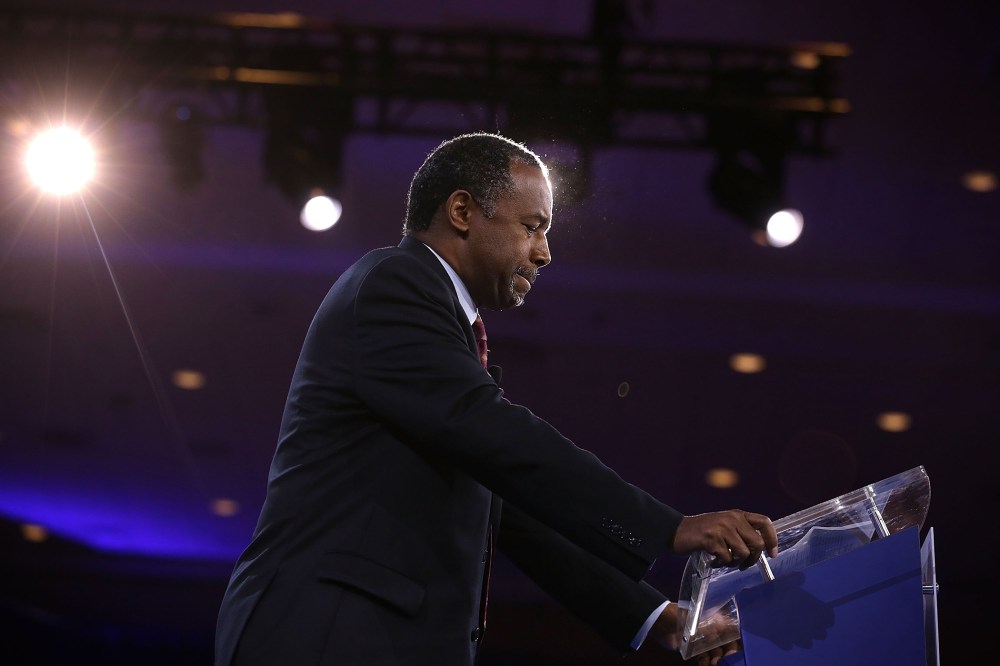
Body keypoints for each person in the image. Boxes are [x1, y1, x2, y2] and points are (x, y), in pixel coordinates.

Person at [215, 133, 777, 666]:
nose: (545, 253)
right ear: (462, 212)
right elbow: (486, 426)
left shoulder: (442, 331)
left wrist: (661, 618)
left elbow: (512, 515)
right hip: (325, 632)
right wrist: (669, 528)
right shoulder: (393, 283)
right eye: (532, 227)